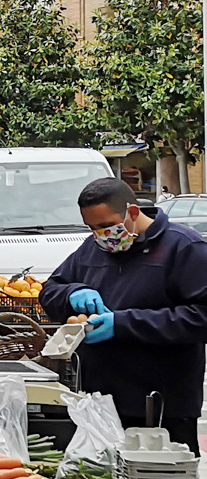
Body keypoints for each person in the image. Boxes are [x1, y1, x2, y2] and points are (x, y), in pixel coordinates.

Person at [39, 177, 207, 456]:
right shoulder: (92, 249)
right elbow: (50, 290)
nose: (101, 235)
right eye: (92, 228)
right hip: (100, 403)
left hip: (160, 408)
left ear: (132, 212)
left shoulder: (184, 248)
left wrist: (123, 324)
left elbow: (201, 317)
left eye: (106, 226)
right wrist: (73, 292)